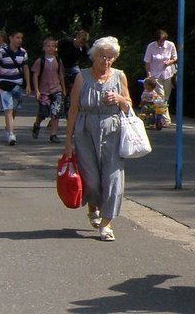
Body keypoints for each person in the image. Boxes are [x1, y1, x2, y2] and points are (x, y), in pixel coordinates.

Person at [63, 36, 133, 242]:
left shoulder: (119, 77)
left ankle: (106, 224)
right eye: (103, 56)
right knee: (91, 180)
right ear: (94, 57)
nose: (107, 61)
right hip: (85, 130)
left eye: (111, 57)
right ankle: (93, 206)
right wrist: (68, 141)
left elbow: (129, 105)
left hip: (112, 130)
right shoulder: (82, 77)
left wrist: (120, 99)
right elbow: (73, 109)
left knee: (112, 179)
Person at [0, 30, 30, 145]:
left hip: (17, 84)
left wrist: (28, 85)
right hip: (5, 84)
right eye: (17, 37)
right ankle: (11, 134)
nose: (19, 40)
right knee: (8, 108)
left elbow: (26, 68)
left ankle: (8, 128)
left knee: (14, 109)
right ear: (10, 38)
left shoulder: (23, 52)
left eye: (21, 38)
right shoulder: (1, 52)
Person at [30, 37, 66, 142]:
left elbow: (61, 75)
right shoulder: (40, 61)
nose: (51, 48)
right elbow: (35, 76)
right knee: (43, 112)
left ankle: (53, 134)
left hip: (56, 89)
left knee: (56, 112)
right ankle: (37, 125)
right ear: (44, 48)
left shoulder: (58, 61)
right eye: (48, 46)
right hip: (44, 91)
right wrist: (36, 90)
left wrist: (63, 89)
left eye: (53, 46)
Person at [143, 29, 178, 125]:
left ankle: (162, 117)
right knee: (160, 97)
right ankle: (166, 120)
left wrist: (169, 62)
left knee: (166, 97)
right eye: (159, 41)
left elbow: (175, 57)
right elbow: (147, 61)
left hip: (167, 74)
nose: (160, 42)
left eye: (162, 40)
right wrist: (149, 74)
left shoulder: (170, 45)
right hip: (155, 75)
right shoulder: (151, 46)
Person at [57, 30, 90, 118]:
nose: (81, 44)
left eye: (83, 43)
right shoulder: (67, 41)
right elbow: (55, 45)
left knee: (80, 80)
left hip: (73, 66)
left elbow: (90, 57)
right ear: (77, 38)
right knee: (62, 90)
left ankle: (77, 100)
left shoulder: (84, 48)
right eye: (80, 42)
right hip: (61, 65)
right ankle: (57, 113)